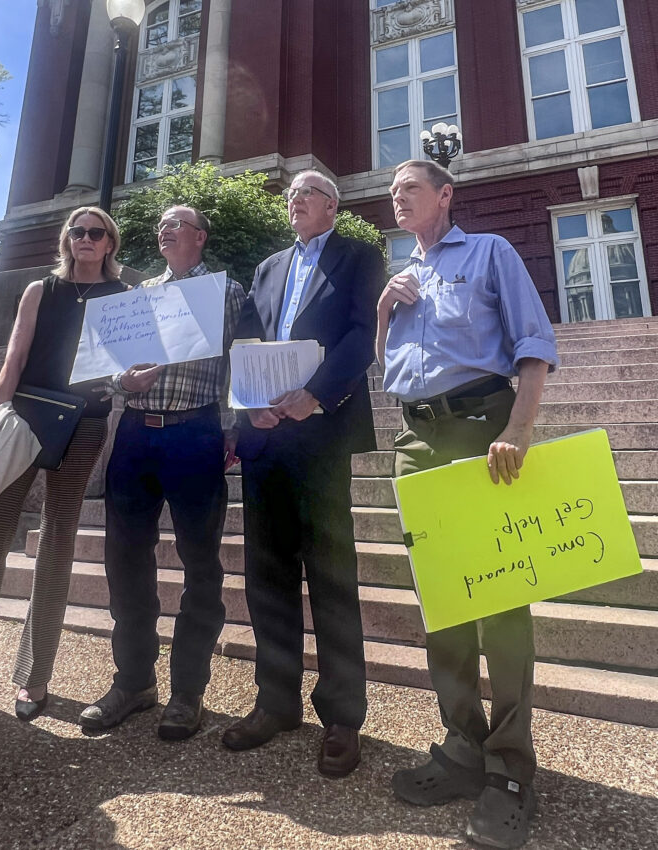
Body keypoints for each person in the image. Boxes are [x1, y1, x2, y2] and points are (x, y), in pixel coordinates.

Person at [378, 159, 559, 849]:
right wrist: (382, 310)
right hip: (414, 437)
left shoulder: (489, 253)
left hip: (481, 432)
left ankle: (511, 769)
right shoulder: (402, 274)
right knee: (442, 599)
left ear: (445, 196)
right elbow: (389, 365)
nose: (398, 199)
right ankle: (462, 744)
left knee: (502, 600)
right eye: (393, 192)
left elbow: (534, 346)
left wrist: (518, 429)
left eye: (410, 190)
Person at [0, 207, 130, 734]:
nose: (85, 238)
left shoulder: (123, 298)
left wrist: (135, 378)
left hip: (85, 424)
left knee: (59, 539)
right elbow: (14, 358)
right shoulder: (41, 289)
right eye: (77, 230)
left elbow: (124, 366)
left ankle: (34, 675)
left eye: (96, 232)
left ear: (110, 243)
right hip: (24, 420)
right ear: (66, 239)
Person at [224, 170, 384, 778]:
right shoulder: (267, 268)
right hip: (266, 437)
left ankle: (342, 715)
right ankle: (276, 702)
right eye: (290, 195)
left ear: (332, 206)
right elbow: (247, 341)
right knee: (267, 575)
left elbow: (362, 334)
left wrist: (313, 395)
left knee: (331, 575)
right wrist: (249, 406)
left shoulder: (358, 255)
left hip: (320, 430)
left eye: (307, 193)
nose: (295, 201)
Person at [80, 204, 246, 741]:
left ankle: (187, 691)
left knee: (201, 562)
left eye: (177, 223)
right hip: (134, 434)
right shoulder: (136, 294)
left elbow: (238, 364)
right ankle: (132, 682)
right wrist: (120, 385)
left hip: (195, 433)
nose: (165, 229)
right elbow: (105, 367)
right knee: (124, 559)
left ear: (199, 236)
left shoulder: (225, 292)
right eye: (160, 226)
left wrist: (232, 429)